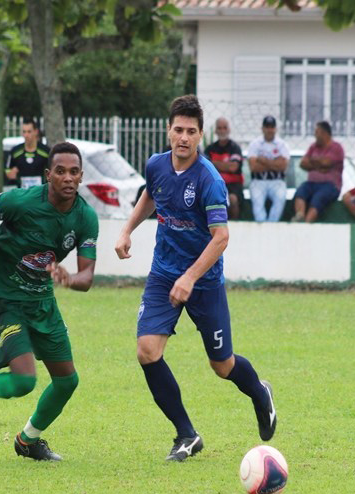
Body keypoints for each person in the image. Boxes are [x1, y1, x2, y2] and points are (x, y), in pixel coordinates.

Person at [114, 95, 276, 462]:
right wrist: (127, 230)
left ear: (201, 135)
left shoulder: (210, 181)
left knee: (222, 366)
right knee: (147, 351)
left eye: (191, 131)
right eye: (178, 130)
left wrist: (189, 277)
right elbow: (149, 197)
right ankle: (186, 435)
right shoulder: (156, 165)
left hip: (203, 283)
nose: (183, 137)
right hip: (162, 274)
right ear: (168, 130)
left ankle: (259, 392)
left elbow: (221, 237)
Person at [0, 141, 99, 462]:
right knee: (24, 380)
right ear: (47, 175)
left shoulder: (85, 218)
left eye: (74, 172)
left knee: (67, 381)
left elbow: (87, 278)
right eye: (61, 171)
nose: (68, 178)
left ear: (81, 177)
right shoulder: (23, 202)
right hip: (7, 296)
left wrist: (69, 279)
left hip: (42, 301)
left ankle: (28, 440)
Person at [293, 121, 344, 223]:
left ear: (325, 133)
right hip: (312, 183)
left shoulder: (336, 147)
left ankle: (307, 223)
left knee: (318, 198)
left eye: (317, 132)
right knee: (300, 192)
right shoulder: (313, 147)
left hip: (330, 185)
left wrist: (312, 162)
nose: (315, 135)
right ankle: (300, 216)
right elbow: (303, 163)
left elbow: (326, 163)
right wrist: (319, 165)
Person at [248, 116, 290, 222]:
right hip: (258, 181)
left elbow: (283, 166)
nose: (269, 130)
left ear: (275, 128)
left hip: (277, 181)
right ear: (262, 128)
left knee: (280, 198)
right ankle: (261, 226)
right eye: (267, 127)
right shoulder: (255, 144)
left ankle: (271, 225)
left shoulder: (282, 144)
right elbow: (253, 167)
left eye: (272, 127)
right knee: (257, 203)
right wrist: (275, 162)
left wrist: (263, 160)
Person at [204, 118, 245, 219]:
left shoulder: (235, 147)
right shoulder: (210, 149)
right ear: (216, 131)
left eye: (224, 128)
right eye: (219, 128)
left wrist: (213, 164)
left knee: (233, 199)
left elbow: (233, 167)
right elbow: (205, 168)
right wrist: (225, 165)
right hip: (215, 184)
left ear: (229, 129)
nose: (222, 130)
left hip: (233, 185)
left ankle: (234, 224)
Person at [6, 119, 49, 189]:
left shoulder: (46, 151)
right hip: (21, 194)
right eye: (24, 132)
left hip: (40, 193)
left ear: (36, 132)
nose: (26, 135)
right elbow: (7, 169)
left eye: (29, 132)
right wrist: (10, 173)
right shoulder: (15, 151)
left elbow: (52, 170)